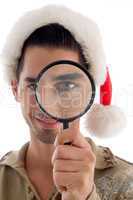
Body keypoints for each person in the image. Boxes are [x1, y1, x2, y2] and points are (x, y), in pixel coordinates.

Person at [0, 4, 133, 200]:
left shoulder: (126, 181)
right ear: (15, 89)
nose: (48, 101)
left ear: (89, 91)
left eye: (67, 86)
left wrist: (85, 196)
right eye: (34, 86)